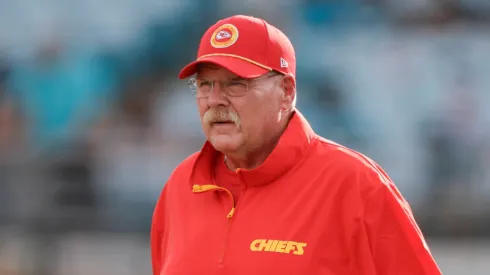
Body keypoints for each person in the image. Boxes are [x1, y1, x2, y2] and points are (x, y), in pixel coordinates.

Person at [150, 15, 442, 275]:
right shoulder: (180, 185)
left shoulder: (357, 185)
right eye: (204, 85)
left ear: (286, 91)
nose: (214, 100)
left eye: (235, 83)